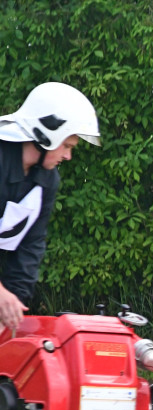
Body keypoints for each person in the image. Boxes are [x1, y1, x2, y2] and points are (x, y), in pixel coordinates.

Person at [0, 82, 101, 333]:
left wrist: (12, 308)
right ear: (46, 135)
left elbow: (31, 245)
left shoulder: (47, 182)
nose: (68, 156)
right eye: (67, 146)